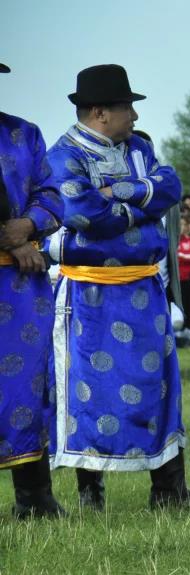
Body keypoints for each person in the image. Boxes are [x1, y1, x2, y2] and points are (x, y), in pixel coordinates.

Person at [45, 64, 190, 509]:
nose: (134, 118)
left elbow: (169, 185)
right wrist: (140, 202)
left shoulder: (138, 148)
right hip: (91, 296)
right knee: (90, 392)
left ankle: (169, 491)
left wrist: (120, 193)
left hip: (144, 291)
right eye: (126, 108)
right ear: (99, 112)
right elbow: (83, 215)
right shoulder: (64, 155)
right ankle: (90, 494)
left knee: (160, 386)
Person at [0, 61, 67, 518]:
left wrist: (27, 227)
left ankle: (34, 498)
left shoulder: (25, 133)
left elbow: (54, 195)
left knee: (27, 386)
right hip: (17, 261)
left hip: (21, 287)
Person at [176, 214, 190, 330]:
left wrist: (181, 256)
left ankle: (185, 329)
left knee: (187, 304)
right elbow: (175, 256)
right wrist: (184, 256)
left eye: (184, 224)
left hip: (187, 279)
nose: (183, 227)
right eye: (181, 224)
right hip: (175, 280)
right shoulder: (173, 240)